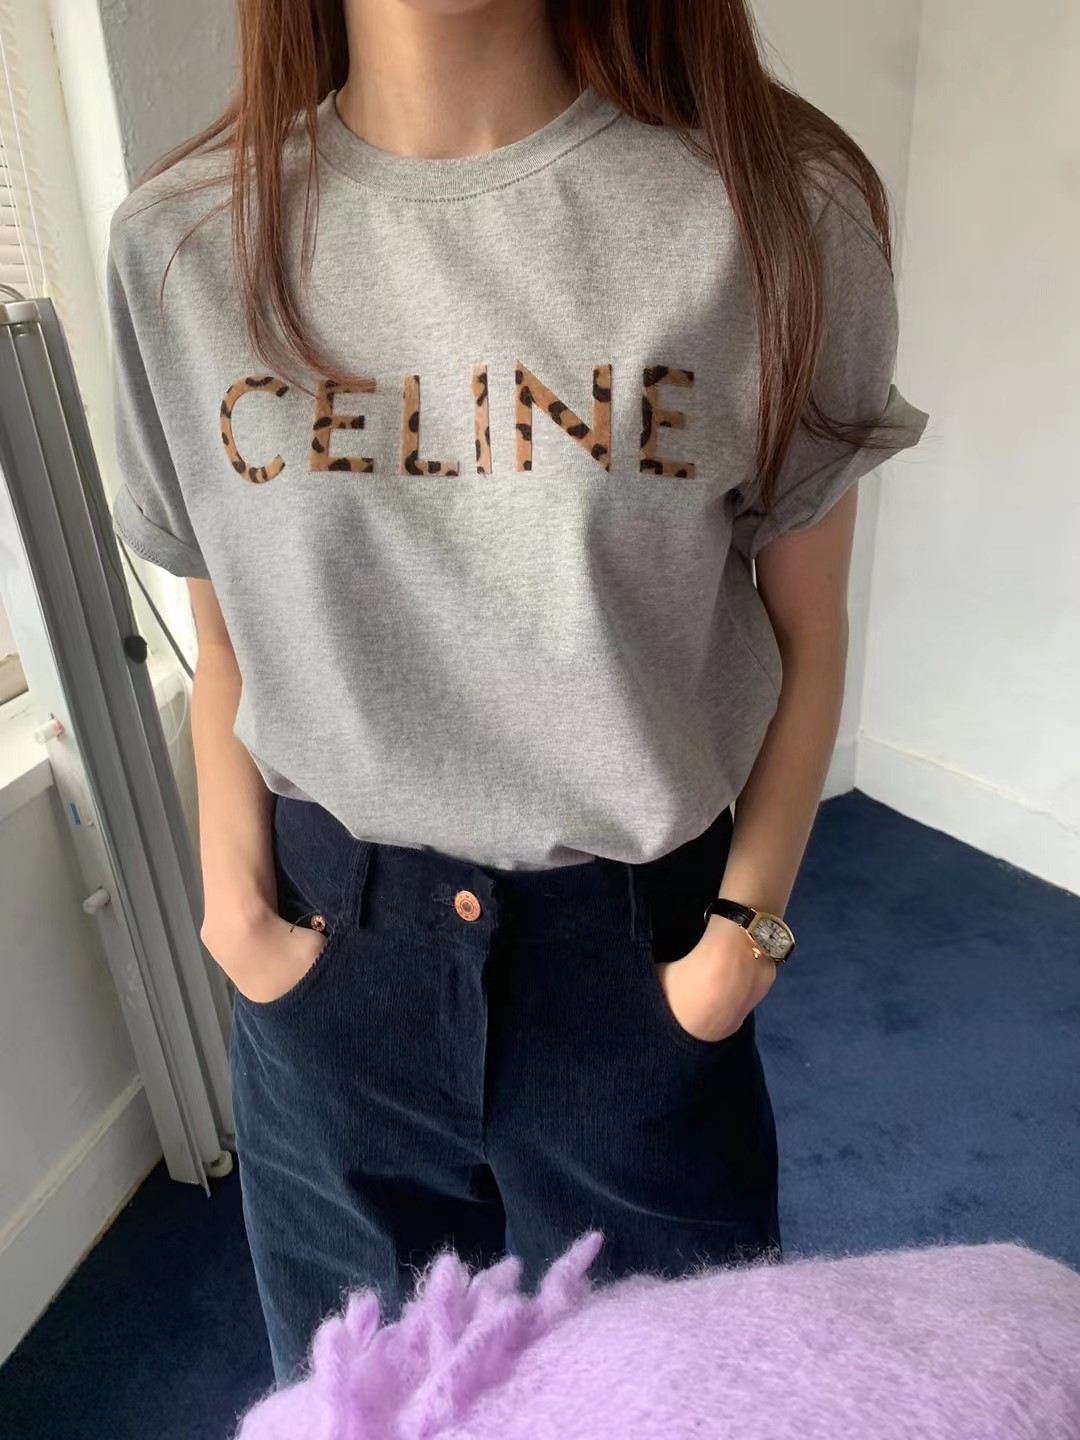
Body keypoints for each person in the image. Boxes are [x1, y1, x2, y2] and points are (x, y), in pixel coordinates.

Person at [107, 0, 927, 1386]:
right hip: (331, 962)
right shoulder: (181, 245)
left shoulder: (773, 214)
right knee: (375, 1410)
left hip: (635, 963)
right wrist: (236, 916)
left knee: (673, 1407)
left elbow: (807, 632)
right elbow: (229, 640)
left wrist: (742, 945)